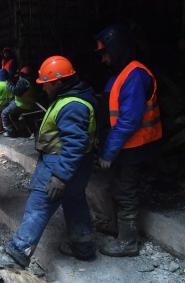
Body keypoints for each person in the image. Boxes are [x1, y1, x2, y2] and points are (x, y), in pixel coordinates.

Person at [0, 56, 96, 268]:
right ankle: (83, 246)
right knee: (75, 202)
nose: (43, 88)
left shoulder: (72, 106)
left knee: (38, 207)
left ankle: (16, 254)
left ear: (59, 82)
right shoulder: (73, 98)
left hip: (58, 164)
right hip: (76, 167)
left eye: (47, 84)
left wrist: (60, 176)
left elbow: (74, 144)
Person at [95, 25, 162, 257]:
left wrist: (109, 152)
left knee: (126, 191)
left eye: (106, 53)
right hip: (125, 145)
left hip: (134, 145)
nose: (103, 59)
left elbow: (128, 121)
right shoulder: (121, 74)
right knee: (117, 186)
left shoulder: (134, 75)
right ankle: (115, 227)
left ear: (118, 48)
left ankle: (128, 243)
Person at [1, 66, 38, 137]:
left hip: (21, 104)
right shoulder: (30, 80)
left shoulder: (23, 81)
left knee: (4, 113)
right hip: (28, 103)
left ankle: (10, 132)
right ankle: (20, 130)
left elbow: (16, 92)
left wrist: (9, 84)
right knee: (13, 115)